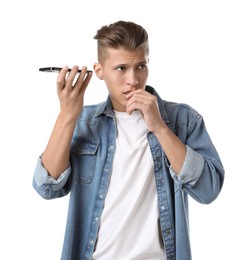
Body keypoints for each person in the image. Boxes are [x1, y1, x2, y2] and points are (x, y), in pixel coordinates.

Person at [33, 20, 224, 260]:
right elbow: (47, 187)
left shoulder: (183, 121)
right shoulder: (84, 122)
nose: (133, 80)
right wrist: (67, 115)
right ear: (99, 71)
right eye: (121, 68)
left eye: (140, 66)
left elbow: (209, 190)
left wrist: (161, 129)